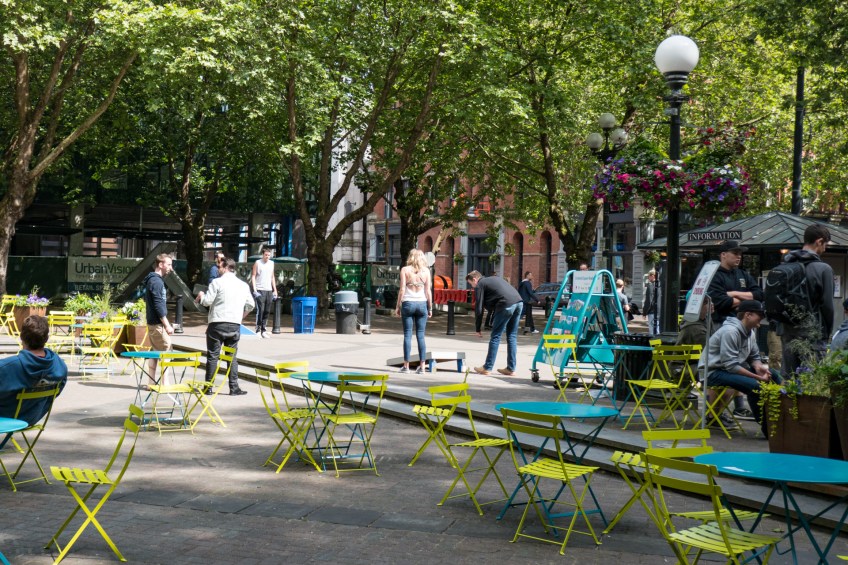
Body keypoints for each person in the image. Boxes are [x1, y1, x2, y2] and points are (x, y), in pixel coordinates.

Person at [700, 300, 780, 436]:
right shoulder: (730, 332)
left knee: (774, 375)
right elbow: (731, 366)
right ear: (748, 315)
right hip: (713, 372)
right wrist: (757, 377)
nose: (761, 321)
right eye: (759, 316)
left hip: (728, 369)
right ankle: (769, 429)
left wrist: (758, 367)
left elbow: (754, 356)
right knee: (756, 386)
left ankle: (781, 419)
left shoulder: (750, 332)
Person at [779, 224, 835, 375]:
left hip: (787, 331)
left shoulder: (785, 266)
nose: (825, 249)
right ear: (819, 241)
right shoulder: (823, 269)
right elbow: (827, 306)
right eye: (825, 245)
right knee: (812, 380)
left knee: (790, 379)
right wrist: (827, 333)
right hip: (813, 333)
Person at [196, 257, 255, 395]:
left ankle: (208, 387)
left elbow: (207, 301)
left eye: (219, 267)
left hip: (217, 323)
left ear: (226, 267)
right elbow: (251, 305)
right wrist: (240, 317)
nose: (218, 269)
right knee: (232, 356)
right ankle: (234, 387)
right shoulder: (243, 285)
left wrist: (201, 296)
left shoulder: (216, 282)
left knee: (213, 356)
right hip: (234, 324)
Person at [0, 315, 68, 426]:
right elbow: (55, 394)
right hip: (32, 417)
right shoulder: (60, 366)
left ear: (21, 337)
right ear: (46, 338)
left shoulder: (7, 367)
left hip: (6, 419)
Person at [466, 270, 523, 377]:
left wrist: (478, 329)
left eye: (471, 284)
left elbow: (479, 308)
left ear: (475, 279)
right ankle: (511, 368)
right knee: (512, 336)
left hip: (505, 304)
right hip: (519, 302)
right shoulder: (493, 279)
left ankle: (487, 367)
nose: (473, 287)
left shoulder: (480, 284)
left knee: (495, 336)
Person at [706, 240, 764, 330]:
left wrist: (733, 294)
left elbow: (759, 295)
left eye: (740, 254)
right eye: (735, 253)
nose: (739, 256)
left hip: (744, 324)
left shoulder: (743, 274)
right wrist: (748, 301)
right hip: (722, 324)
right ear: (723, 255)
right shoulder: (714, 275)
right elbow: (719, 301)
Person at [394, 249, 433, 374]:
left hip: (408, 304)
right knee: (421, 335)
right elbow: (428, 291)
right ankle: (422, 367)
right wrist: (430, 307)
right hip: (422, 304)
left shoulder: (405, 270)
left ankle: (406, 366)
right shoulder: (426, 271)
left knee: (407, 335)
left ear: (410, 257)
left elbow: (402, 289)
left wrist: (398, 306)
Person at [143, 253, 175, 383]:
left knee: (155, 351)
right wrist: (167, 325)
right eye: (169, 265)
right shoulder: (156, 282)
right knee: (166, 350)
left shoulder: (152, 280)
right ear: (161, 264)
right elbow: (158, 305)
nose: (171, 268)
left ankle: (151, 382)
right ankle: (165, 383)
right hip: (157, 324)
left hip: (152, 322)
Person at [251, 245, 277, 339]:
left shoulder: (271, 263)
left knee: (267, 311)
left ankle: (264, 330)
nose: (267, 257)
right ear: (263, 254)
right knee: (260, 310)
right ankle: (258, 330)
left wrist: (275, 290)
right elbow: (253, 276)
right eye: (266, 255)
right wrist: (255, 290)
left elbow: (272, 277)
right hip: (260, 289)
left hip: (269, 290)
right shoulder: (258, 263)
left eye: (269, 255)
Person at [644, 270, 659, 335]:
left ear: (653, 276)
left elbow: (648, 301)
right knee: (658, 330)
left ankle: (654, 342)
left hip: (652, 311)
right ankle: (658, 341)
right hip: (660, 311)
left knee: (652, 331)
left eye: (649, 276)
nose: (648, 278)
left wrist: (644, 312)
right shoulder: (661, 285)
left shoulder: (650, 286)